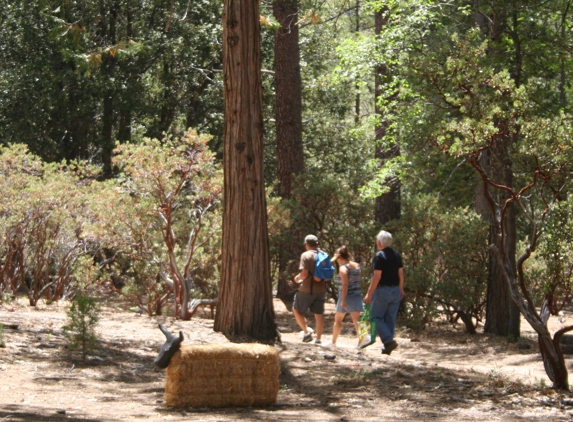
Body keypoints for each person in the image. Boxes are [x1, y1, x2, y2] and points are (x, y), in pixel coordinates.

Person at [364, 230, 404, 355]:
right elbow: (401, 273)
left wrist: (369, 293)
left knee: (374, 317)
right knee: (390, 319)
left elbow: (377, 276)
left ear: (379, 242)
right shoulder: (396, 254)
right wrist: (401, 288)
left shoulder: (379, 256)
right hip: (395, 290)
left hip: (383, 290)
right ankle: (388, 346)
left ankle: (388, 341)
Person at [323, 246, 363, 348]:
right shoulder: (357, 266)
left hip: (346, 296)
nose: (336, 261)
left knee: (338, 320)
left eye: (337, 259)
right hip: (357, 295)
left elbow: (345, 284)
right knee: (357, 321)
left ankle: (333, 342)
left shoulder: (343, 268)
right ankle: (362, 342)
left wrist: (343, 300)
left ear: (340, 257)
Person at [292, 234, 327, 344]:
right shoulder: (324, 255)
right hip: (321, 289)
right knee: (319, 314)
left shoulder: (306, 255)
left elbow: (304, 274)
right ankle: (318, 339)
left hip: (307, 289)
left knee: (296, 309)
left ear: (307, 244)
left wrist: (297, 279)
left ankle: (306, 332)